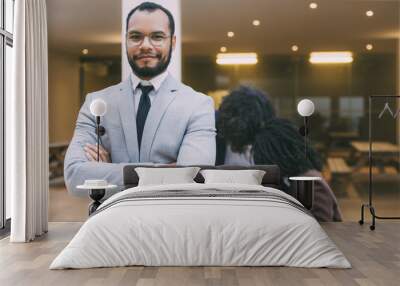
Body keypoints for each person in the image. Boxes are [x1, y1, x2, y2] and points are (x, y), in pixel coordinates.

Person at [64, 2, 216, 196]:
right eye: (136, 36)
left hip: (171, 221)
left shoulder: (198, 104)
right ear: (125, 40)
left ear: (173, 42)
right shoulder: (95, 102)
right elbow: (75, 177)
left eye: (157, 36)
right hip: (112, 222)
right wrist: (167, 170)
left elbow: (194, 179)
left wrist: (111, 168)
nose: (145, 45)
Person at [217, 86, 342, 221]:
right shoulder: (286, 178)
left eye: (254, 153)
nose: (252, 161)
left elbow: (321, 229)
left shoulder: (309, 184)